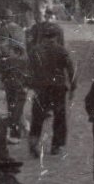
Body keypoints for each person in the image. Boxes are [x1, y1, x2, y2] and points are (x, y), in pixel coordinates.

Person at [26, 20, 76, 156]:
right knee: (59, 116)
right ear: (56, 36)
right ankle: (56, 145)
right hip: (58, 88)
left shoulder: (34, 50)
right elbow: (71, 70)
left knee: (37, 116)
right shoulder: (61, 50)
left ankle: (34, 142)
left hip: (40, 88)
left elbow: (28, 69)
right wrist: (73, 87)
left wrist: (30, 85)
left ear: (43, 36)